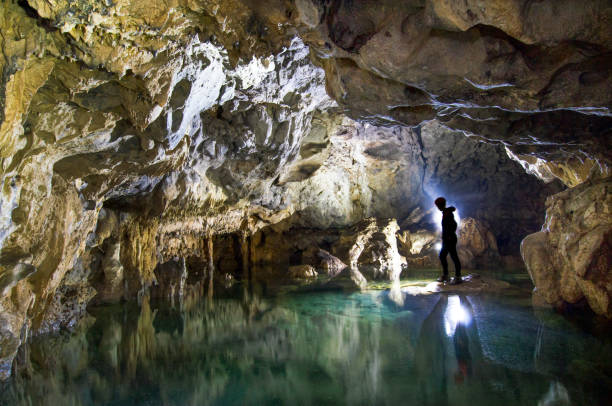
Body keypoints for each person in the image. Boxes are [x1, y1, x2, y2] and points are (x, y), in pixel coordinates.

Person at [434, 197, 462, 284]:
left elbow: (454, 224)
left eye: (438, 205)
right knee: (442, 256)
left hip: (450, 239)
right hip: (447, 239)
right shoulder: (446, 212)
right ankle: (446, 275)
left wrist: (449, 235)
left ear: (440, 205)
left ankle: (458, 277)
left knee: (454, 257)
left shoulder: (448, 213)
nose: (437, 207)